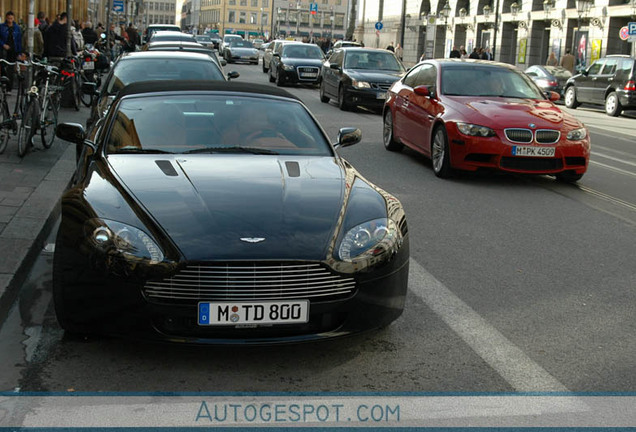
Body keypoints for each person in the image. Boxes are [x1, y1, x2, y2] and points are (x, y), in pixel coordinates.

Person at [0, 11, 23, 92]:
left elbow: (19, 41)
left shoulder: (17, 28)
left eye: (11, 19)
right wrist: (3, 44)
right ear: (6, 18)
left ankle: (9, 88)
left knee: (11, 69)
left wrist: (19, 53)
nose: (10, 20)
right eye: (9, 18)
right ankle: (3, 84)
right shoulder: (1, 27)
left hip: (13, 50)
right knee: (3, 67)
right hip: (3, 50)